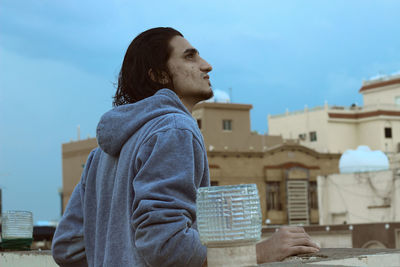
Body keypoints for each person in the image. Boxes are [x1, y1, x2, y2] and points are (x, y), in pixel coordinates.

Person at [52, 27, 319, 267]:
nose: (207, 65)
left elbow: (68, 247)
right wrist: (258, 253)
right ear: (158, 75)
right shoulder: (174, 129)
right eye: (190, 57)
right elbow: (165, 246)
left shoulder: (101, 155)